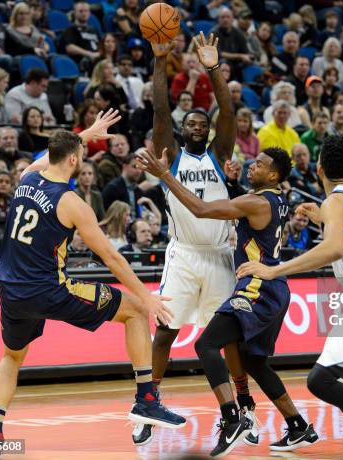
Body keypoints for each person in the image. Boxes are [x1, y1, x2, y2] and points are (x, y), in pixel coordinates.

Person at [0, 109, 176, 459]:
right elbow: (112, 259)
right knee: (132, 312)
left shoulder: (25, 178)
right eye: (81, 153)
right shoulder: (72, 203)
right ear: (73, 159)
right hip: (48, 289)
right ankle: (146, 399)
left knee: (11, 356)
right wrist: (147, 297)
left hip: (11, 290)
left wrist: (87, 133)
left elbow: (58, 152)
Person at [138, 144, 318, 456]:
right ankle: (298, 425)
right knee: (254, 361)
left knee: (205, 345)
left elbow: (202, 210)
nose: (252, 165)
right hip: (277, 288)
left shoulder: (257, 201)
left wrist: (166, 175)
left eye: (259, 165)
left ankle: (232, 419)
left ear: (273, 175)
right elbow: (249, 210)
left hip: (257, 289)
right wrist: (234, 185)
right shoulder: (278, 197)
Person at [237, 135, 343, 446]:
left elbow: (332, 249)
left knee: (321, 380)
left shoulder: (336, 202)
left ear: (318, 168)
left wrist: (274, 269)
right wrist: (323, 219)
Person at [129, 32, 239, 445]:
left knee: (228, 338)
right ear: (182, 130)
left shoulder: (219, 152)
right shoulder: (169, 156)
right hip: (184, 255)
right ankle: (148, 402)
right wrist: (160, 60)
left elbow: (227, 110)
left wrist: (212, 69)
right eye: (189, 121)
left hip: (220, 257)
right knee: (165, 333)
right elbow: (160, 109)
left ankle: (239, 407)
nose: (196, 124)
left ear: (209, 133)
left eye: (201, 123)